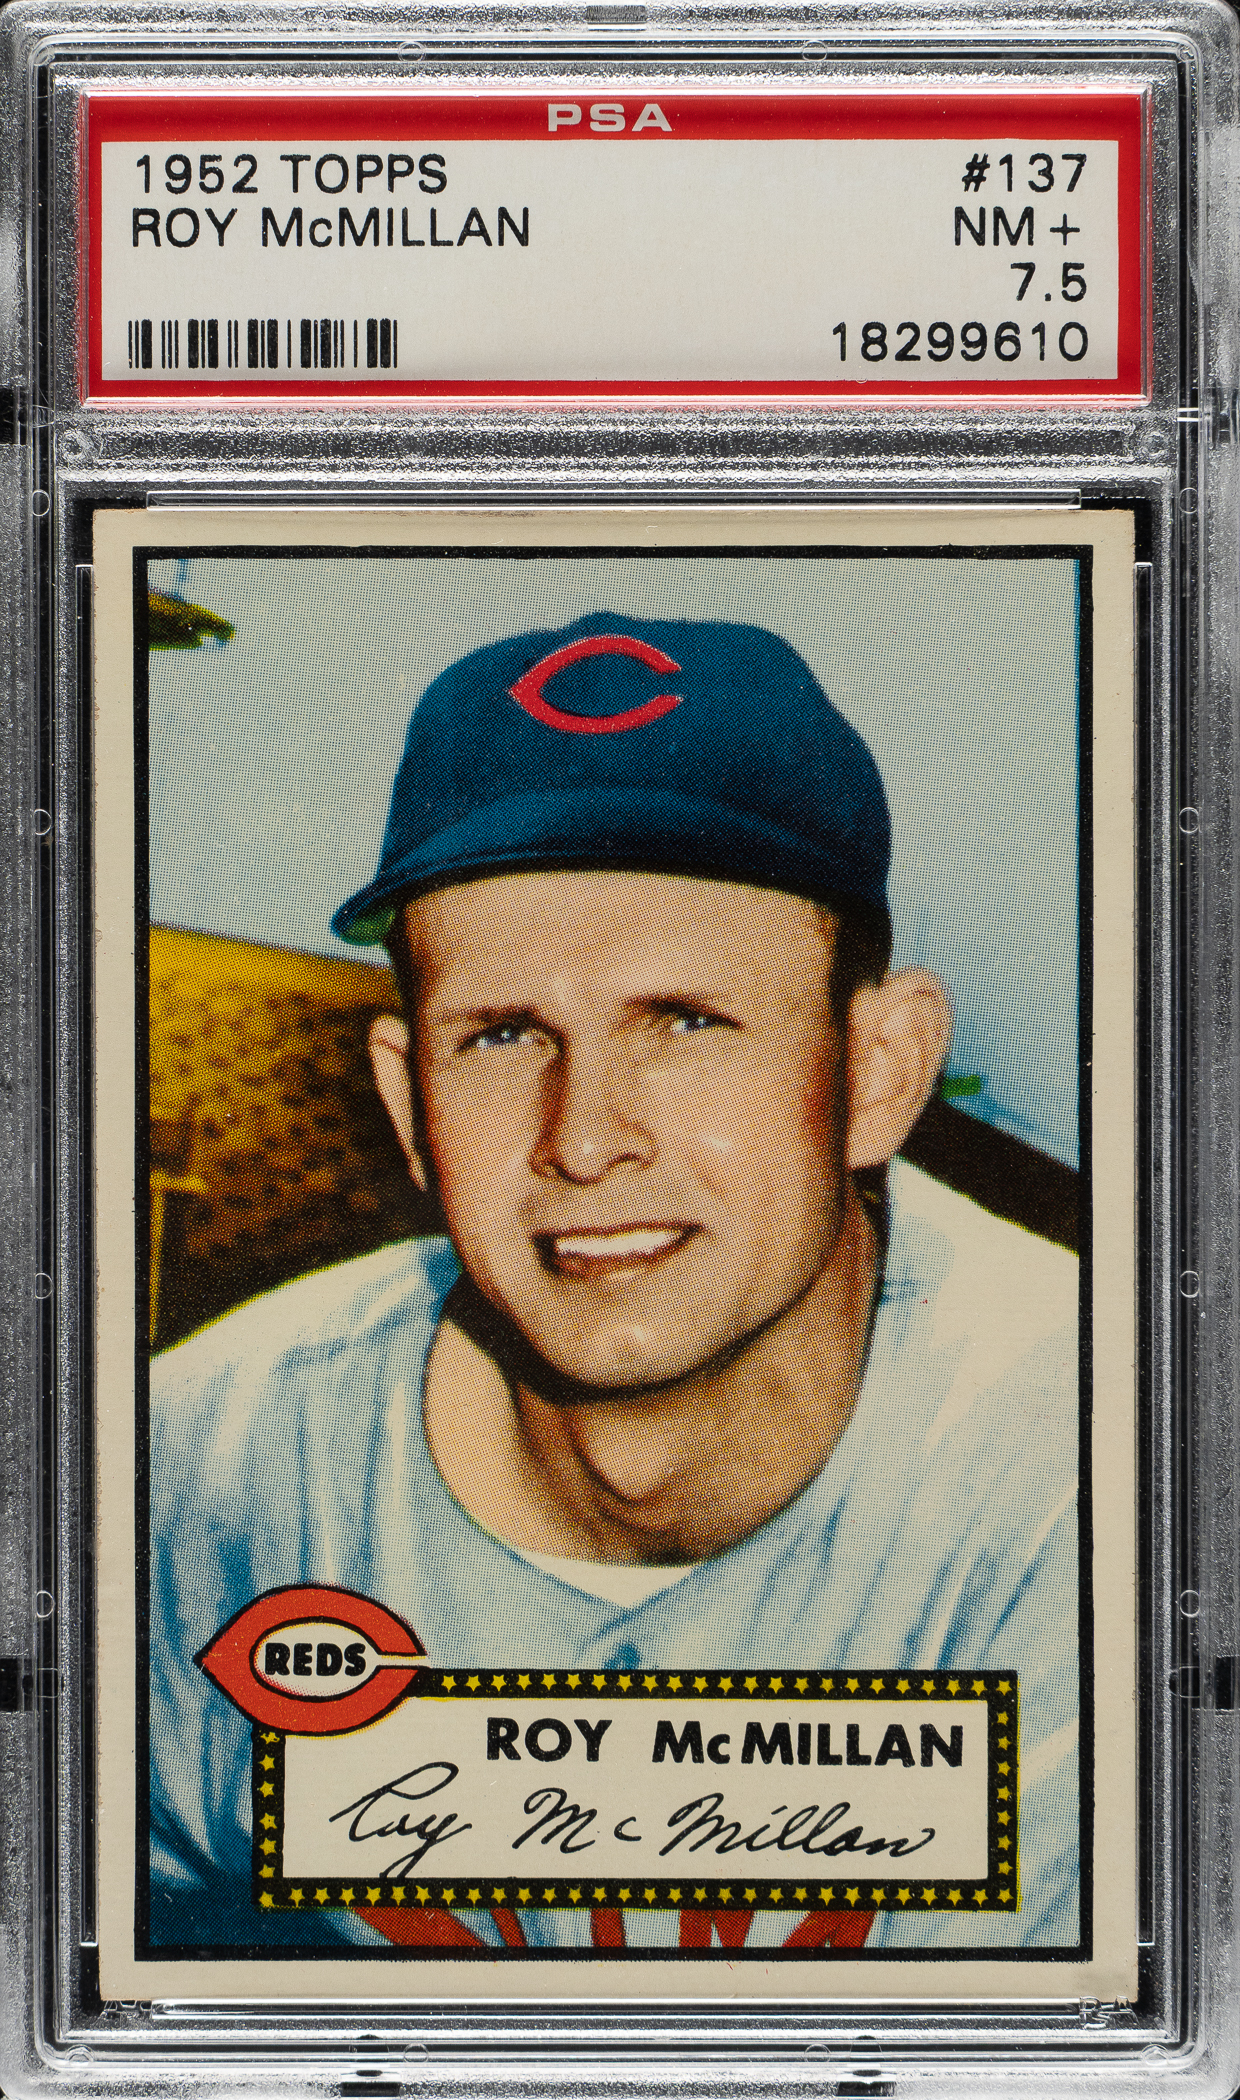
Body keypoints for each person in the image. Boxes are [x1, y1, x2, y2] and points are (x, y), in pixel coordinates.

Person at [148, 613, 1079, 1959]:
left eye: (687, 1023)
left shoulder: (1096, 1477)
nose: (584, 1139)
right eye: (502, 1035)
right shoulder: (203, 1475)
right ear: (409, 1104)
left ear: (876, 1072)